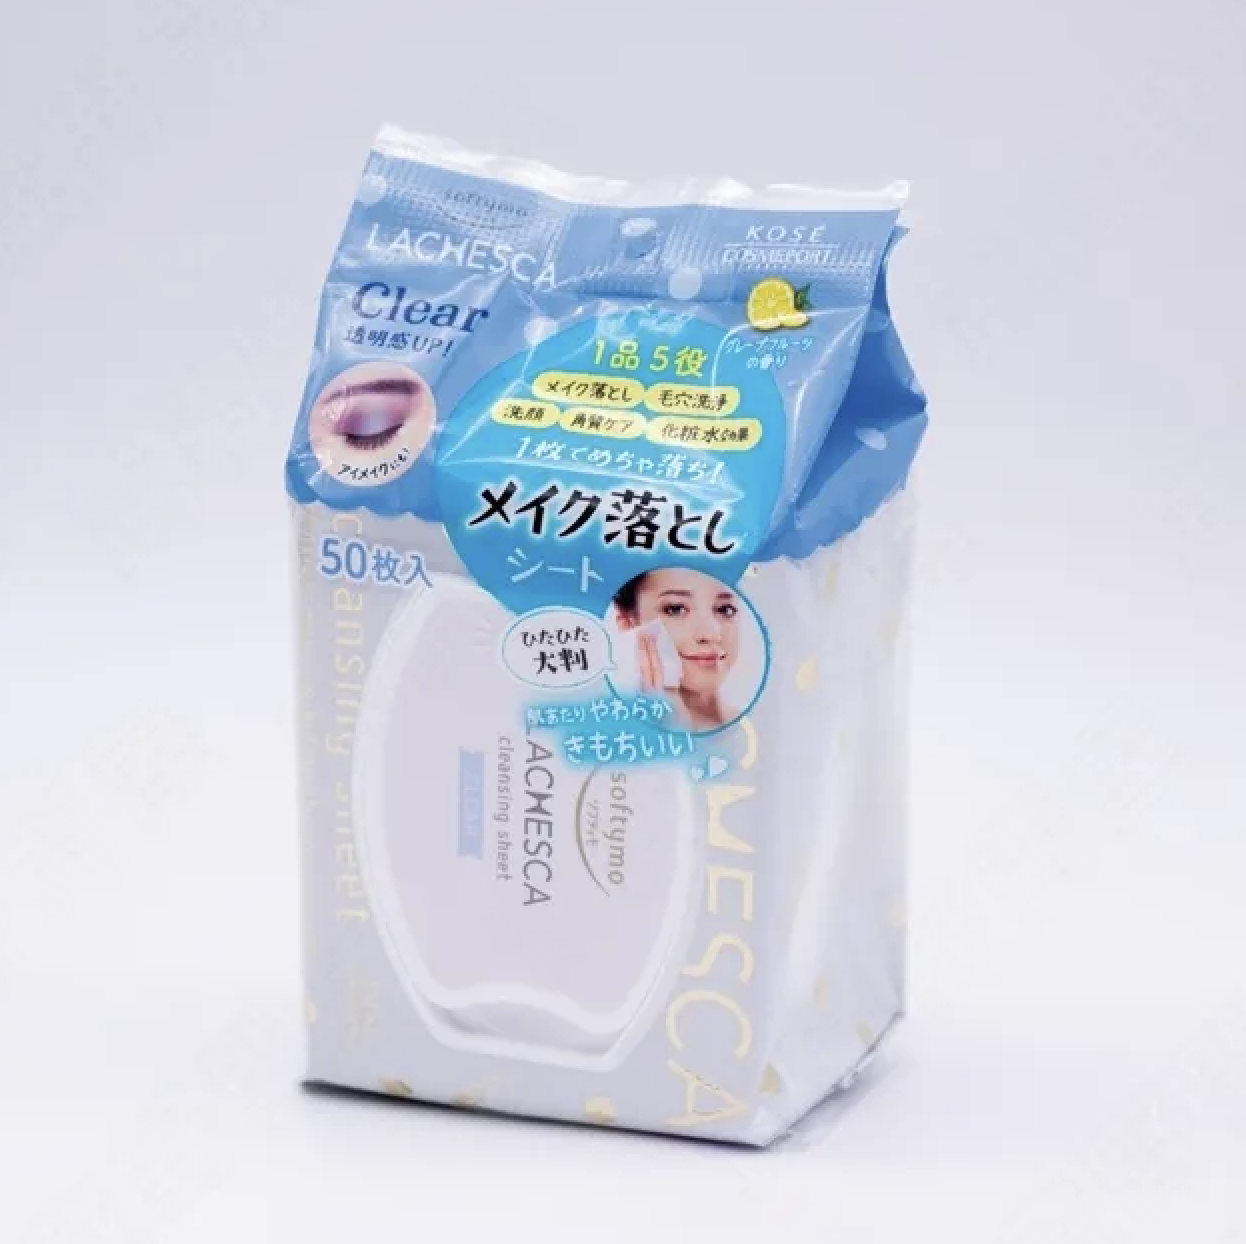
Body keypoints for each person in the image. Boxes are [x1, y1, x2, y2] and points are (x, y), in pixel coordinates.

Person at [612, 568, 743, 732]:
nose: (711, 634)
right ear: (628, 622)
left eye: (725, 609)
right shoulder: (611, 732)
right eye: (676, 609)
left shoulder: (763, 728)